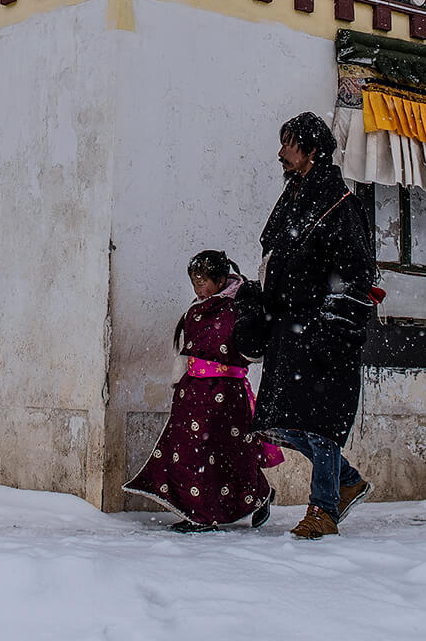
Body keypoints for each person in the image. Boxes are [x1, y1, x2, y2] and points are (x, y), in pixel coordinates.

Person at [251, 110, 378, 539]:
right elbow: (274, 261)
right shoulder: (292, 200)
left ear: (312, 151)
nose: (281, 153)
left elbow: (355, 274)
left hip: (324, 333)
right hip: (290, 332)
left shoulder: (340, 204)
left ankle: (323, 509)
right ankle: (345, 480)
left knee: (320, 424)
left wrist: (334, 330)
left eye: (290, 144)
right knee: (281, 421)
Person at [124, 250, 279, 533]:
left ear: (221, 280)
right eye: (194, 282)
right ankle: (197, 511)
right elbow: (188, 349)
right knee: (187, 452)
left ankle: (253, 496)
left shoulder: (240, 307)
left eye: (203, 281)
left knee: (229, 455)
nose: (198, 288)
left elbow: (250, 348)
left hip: (226, 395)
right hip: (192, 394)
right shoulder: (195, 311)